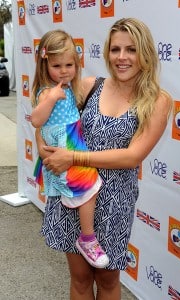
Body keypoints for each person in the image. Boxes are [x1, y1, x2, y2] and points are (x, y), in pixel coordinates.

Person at [36, 18, 172, 300]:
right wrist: (42, 148)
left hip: (114, 201)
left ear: (145, 53)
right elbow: (50, 122)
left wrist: (71, 156)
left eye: (131, 49)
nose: (122, 57)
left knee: (108, 279)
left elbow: (132, 156)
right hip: (73, 191)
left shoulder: (157, 100)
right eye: (115, 49)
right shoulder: (88, 86)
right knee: (80, 278)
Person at [31, 29, 109, 269]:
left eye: (69, 65)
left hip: (72, 140)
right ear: (45, 66)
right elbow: (36, 120)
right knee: (87, 189)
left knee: (89, 188)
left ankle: (86, 236)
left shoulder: (69, 88)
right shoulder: (48, 91)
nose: (64, 71)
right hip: (64, 144)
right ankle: (87, 238)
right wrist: (51, 99)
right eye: (57, 66)